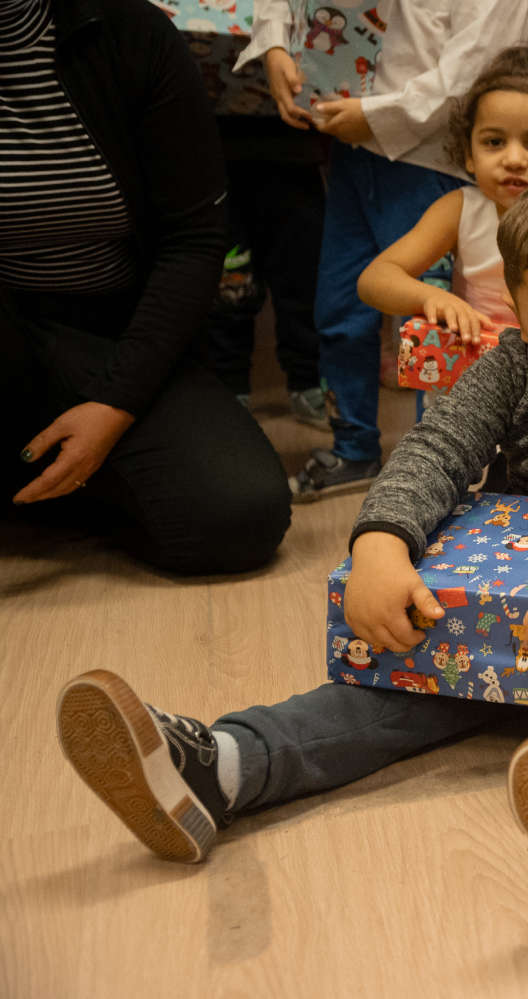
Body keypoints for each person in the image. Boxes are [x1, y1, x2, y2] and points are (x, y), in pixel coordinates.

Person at [54, 174, 528, 943]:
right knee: (385, 680)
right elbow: (438, 448)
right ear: (519, 317)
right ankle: (223, 766)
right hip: (505, 625)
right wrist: (380, 541)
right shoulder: (513, 364)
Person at [1, 0, 290, 575]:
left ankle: (61, 479)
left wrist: (115, 404)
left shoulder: (131, 33)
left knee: (240, 514)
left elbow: (194, 240)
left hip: (120, 334)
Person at [235, 0, 528, 501]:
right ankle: (354, 447)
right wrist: (275, 43)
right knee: (338, 307)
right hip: (353, 146)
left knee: (435, 326)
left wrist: (377, 115)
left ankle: (441, 462)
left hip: (430, 155)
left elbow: (478, 68)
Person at [358, 47, 528, 344]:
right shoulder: (460, 210)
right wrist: (432, 298)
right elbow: (375, 279)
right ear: (469, 154)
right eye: (494, 142)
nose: (513, 159)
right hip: (473, 362)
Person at [201, 116, 329, 425]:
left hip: (294, 148)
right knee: (230, 282)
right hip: (213, 150)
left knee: (304, 277)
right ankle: (230, 389)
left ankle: (308, 382)